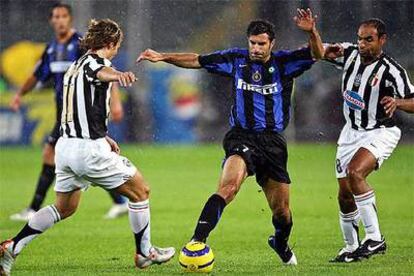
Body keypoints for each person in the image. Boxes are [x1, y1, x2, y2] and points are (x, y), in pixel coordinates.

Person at [138, 8, 324, 265]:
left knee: (281, 211)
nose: (256, 49)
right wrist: (162, 57)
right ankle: (197, 241)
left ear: (272, 43)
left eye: (261, 44)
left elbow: (318, 54)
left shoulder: (285, 63)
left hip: (273, 143)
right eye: (252, 43)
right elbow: (197, 60)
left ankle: (279, 242)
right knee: (228, 187)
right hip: (241, 137)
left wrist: (312, 31)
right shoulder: (236, 60)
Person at [0, 18, 175, 275]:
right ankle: (144, 252)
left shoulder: (74, 65)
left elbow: (79, 106)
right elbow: (101, 73)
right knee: (141, 191)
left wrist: (102, 135)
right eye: (117, 46)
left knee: (65, 207)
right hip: (88, 151)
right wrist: (120, 75)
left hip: (66, 147)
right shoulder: (97, 64)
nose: (117, 51)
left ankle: (12, 246)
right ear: (110, 43)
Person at [9, 3, 128, 221]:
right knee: (87, 156)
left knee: (53, 153)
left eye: (64, 16)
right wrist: (20, 94)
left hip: (78, 112)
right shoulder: (52, 49)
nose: (60, 20)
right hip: (62, 112)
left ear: (70, 19)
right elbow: (36, 75)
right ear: (51, 21)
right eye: (56, 16)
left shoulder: (82, 44)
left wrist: (116, 103)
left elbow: (105, 70)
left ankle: (34, 208)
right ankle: (120, 202)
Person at [323, 18, 414, 262]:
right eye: (360, 38)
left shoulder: (392, 70)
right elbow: (318, 51)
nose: (362, 44)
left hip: (380, 131)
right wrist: (312, 31)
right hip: (350, 132)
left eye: (368, 39)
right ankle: (351, 247)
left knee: (355, 174)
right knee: (344, 194)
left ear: (382, 40)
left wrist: (398, 102)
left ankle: (375, 238)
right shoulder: (350, 54)